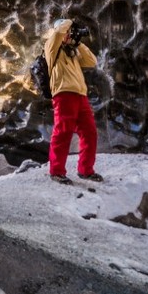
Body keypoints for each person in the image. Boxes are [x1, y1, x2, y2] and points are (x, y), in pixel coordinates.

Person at [43, 18, 103, 185]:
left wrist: (77, 43)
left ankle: (86, 170)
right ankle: (56, 171)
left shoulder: (72, 51)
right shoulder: (51, 47)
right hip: (63, 94)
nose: (69, 35)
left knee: (90, 132)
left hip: (80, 95)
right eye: (67, 33)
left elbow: (92, 61)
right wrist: (70, 22)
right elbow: (58, 32)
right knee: (63, 132)